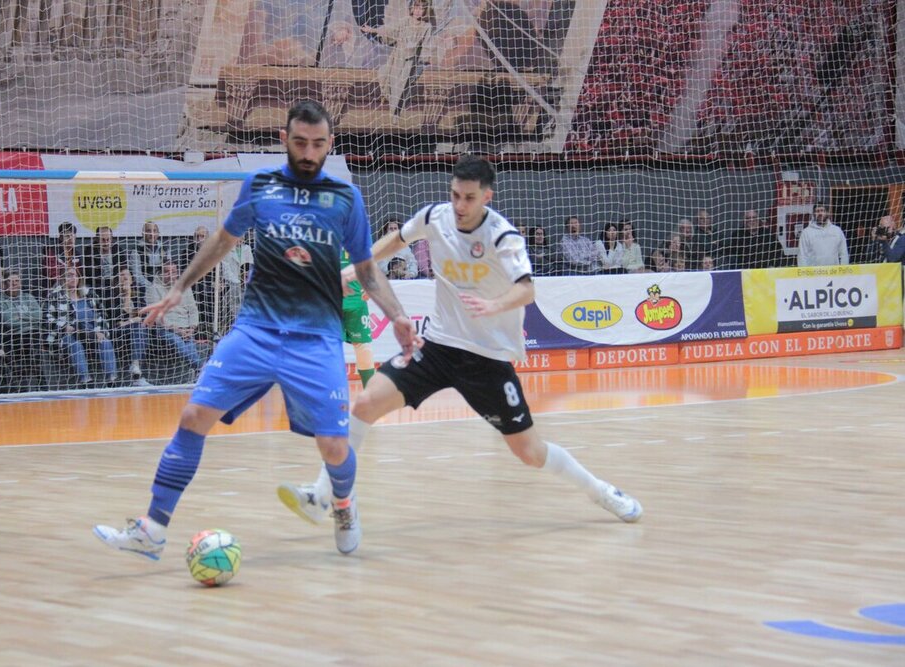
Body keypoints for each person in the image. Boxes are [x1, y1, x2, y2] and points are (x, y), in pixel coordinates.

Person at [93, 100, 419, 560]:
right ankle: (152, 528)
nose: (309, 152)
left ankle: (342, 503)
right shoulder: (260, 184)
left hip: (316, 337)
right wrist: (179, 288)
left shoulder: (346, 198)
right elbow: (224, 240)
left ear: (330, 145)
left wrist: (399, 314)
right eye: (301, 142)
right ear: (285, 139)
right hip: (256, 330)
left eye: (319, 144)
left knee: (333, 445)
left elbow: (367, 269)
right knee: (192, 418)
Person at [277, 156, 642, 531]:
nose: (459, 206)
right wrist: (356, 268)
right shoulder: (436, 217)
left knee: (530, 453)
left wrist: (493, 305)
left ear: (487, 196)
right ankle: (323, 496)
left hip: (486, 360)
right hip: (436, 346)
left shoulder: (503, 237)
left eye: (468, 198)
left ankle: (601, 491)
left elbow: (527, 289)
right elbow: (399, 238)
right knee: (367, 403)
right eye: (455, 195)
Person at [45, 267, 118, 386]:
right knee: (75, 343)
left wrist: (100, 330)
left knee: (104, 341)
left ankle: (112, 379)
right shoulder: (55, 296)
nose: (72, 278)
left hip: (91, 332)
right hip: (69, 334)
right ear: (63, 279)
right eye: (68, 275)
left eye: (74, 275)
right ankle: (85, 380)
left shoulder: (89, 294)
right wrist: (63, 326)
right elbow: (47, 317)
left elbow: (102, 313)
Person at [362, 0, 434, 116]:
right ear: (412, 8)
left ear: (425, 11)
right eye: (416, 8)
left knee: (404, 82)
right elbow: (390, 29)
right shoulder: (405, 21)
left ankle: (396, 110)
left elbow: (427, 44)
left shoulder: (426, 27)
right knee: (384, 74)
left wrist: (425, 59)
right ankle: (391, 102)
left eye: (421, 9)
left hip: (412, 60)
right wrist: (373, 30)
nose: (417, 11)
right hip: (397, 57)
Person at [144, 261, 203, 375]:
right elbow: (156, 316)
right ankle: (201, 370)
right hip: (165, 329)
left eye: (174, 272)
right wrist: (177, 330)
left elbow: (193, 310)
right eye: (167, 272)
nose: (170, 275)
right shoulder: (153, 289)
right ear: (160, 273)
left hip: (186, 328)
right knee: (179, 344)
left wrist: (192, 328)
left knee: (190, 346)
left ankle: (199, 372)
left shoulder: (185, 287)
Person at [0, 270, 43, 392]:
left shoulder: (28, 297)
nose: (14, 284)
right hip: (13, 335)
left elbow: (38, 315)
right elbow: (8, 321)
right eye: (10, 281)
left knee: (32, 344)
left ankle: (41, 386)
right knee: (26, 348)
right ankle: (27, 385)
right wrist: (28, 316)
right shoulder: (1, 301)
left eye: (17, 281)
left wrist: (20, 315)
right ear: (5, 284)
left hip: (32, 333)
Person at [341, 250, 376, 388]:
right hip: (330, 301)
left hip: (356, 300)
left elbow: (368, 259)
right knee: (328, 346)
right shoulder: (322, 233)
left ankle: (370, 392)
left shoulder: (356, 234)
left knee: (363, 346)